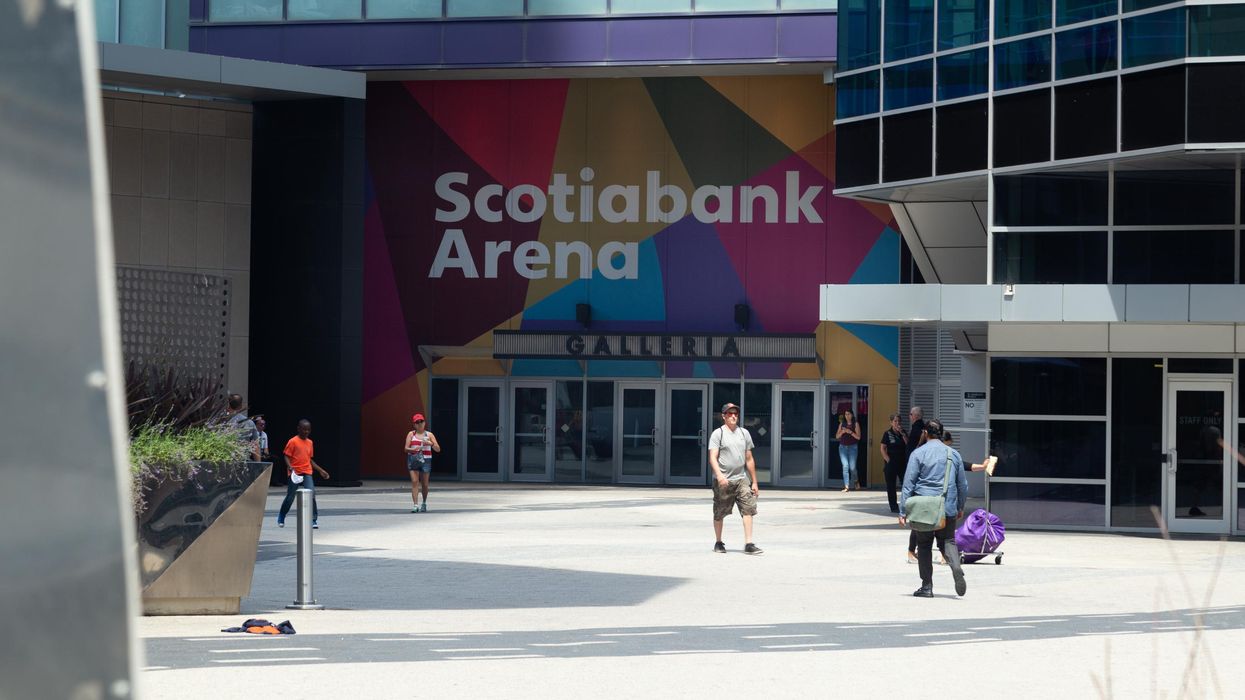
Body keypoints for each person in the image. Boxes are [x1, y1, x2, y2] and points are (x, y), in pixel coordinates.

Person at [905, 430, 997, 565]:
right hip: (927, 495)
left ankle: (938, 555)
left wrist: (983, 467)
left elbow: (964, 465)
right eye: (948, 444)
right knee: (923, 526)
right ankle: (913, 552)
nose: (949, 448)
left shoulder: (944, 454)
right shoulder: (925, 453)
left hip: (937, 497)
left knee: (934, 526)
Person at [900, 418, 968, 598]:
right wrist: (960, 505)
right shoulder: (953, 454)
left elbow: (908, 484)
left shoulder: (918, 454)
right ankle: (956, 567)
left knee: (923, 545)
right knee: (948, 542)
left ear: (925, 433)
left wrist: (902, 511)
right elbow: (963, 485)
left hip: (924, 508)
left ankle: (927, 586)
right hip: (947, 506)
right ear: (941, 433)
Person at [709, 403, 762, 555]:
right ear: (723, 416)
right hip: (724, 480)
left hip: (741, 479)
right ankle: (719, 542)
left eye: (736, 414)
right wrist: (719, 476)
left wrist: (754, 482)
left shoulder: (744, 433)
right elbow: (713, 457)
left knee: (748, 509)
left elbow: (749, 458)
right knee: (720, 512)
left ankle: (749, 543)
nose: (733, 416)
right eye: (730, 413)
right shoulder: (718, 434)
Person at [277, 419, 331, 529]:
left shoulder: (310, 442)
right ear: (298, 429)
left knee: (311, 494)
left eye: (308, 430)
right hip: (294, 472)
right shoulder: (293, 441)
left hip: (307, 471)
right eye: (304, 429)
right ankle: (282, 515)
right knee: (290, 496)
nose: (306, 432)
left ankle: (313, 519)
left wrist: (321, 470)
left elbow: (310, 460)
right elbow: (286, 456)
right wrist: (289, 466)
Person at [404, 413, 440, 513]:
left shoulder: (429, 435)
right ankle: (415, 505)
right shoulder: (411, 434)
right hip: (414, 458)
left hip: (426, 459)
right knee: (415, 482)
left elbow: (438, 449)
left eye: (421, 421)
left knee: (425, 484)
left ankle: (424, 503)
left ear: (424, 423)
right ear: (414, 424)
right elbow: (405, 449)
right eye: (417, 422)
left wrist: (430, 443)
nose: (420, 424)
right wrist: (413, 448)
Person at [880, 413, 908, 513]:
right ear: (891, 422)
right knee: (891, 485)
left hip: (902, 462)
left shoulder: (903, 432)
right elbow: (883, 448)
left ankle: (905, 505)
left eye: (899, 421)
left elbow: (907, 445)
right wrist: (888, 460)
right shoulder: (887, 434)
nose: (897, 423)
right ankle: (893, 506)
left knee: (906, 484)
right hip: (891, 462)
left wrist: (902, 434)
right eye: (895, 421)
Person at [225, 393, 259, 461]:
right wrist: (259, 465)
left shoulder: (221, 422)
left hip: (224, 462)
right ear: (241, 406)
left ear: (228, 404)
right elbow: (255, 446)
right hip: (243, 462)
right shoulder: (249, 423)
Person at [836, 408, 862, 492]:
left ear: (852, 415)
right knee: (845, 466)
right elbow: (837, 436)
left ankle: (856, 481)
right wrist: (843, 432)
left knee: (852, 467)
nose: (847, 416)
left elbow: (858, 437)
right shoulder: (842, 424)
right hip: (842, 447)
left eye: (848, 414)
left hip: (853, 447)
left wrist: (850, 432)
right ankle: (846, 486)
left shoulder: (855, 424)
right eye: (846, 414)